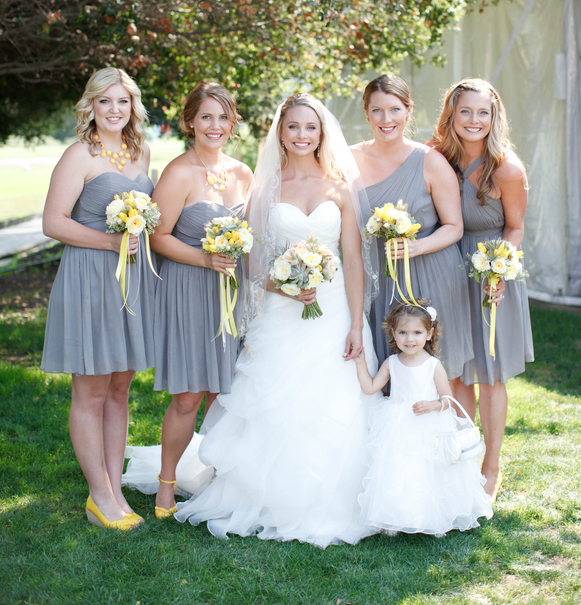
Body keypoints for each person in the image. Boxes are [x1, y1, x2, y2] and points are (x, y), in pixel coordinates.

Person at [174, 93, 380, 547]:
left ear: (321, 133)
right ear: (280, 133)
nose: (302, 135)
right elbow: (251, 262)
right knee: (276, 399)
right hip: (283, 311)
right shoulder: (265, 189)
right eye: (293, 128)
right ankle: (267, 497)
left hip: (335, 313)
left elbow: (351, 260)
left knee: (336, 403)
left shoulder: (340, 187)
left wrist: (354, 324)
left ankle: (338, 497)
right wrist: (284, 285)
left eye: (310, 127)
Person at [123, 83, 253, 518]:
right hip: (187, 291)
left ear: (232, 123)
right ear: (190, 122)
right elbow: (157, 239)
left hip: (229, 295)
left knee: (224, 393)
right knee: (188, 396)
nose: (214, 126)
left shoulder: (243, 173)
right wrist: (205, 258)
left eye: (222, 118)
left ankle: (216, 479)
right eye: (206, 117)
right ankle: (166, 485)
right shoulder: (179, 171)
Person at [41, 67, 155, 530]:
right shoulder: (78, 155)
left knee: (120, 386)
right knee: (90, 389)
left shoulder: (142, 152)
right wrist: (109, 242)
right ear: (91, 106)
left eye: (123, 101)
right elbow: (53, 222)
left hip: (130, 282)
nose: (114, 110)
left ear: (133, 107)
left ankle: (113, 487)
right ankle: (99, 496)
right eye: (105, 102)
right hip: (90, 277)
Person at [431, 78, 532, 499]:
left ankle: (491, 467)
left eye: (483, 112)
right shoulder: (434, 159)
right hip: (447, 271)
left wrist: (500, 271)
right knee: (455, 372)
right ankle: (463, 458)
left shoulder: (507, 168)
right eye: (465, 112)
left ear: (495, 118)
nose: (474, 120)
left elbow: (516, 227)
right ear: (451, 116)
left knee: (490, 375)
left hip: (491, 275)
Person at [351, 74, 473, 382]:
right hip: (376, 276)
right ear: (366, 113)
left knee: (436, 370)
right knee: (385, 369)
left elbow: (454, 226)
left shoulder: (430, 161)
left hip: (430, 272)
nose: (386, 118)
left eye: (394, 109)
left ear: (408, 110)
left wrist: (416, 246)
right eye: (377, 110)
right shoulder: (348, 160)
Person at [355, 300, 492, 536]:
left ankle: (430, 515)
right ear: (394, 334)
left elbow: (449, 400)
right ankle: (400, 514)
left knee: (428, 471)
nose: (410, 339)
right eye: (403, 333)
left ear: (429, 334)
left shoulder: (433, 365)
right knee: (400, 469)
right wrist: (359, 363)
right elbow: (370, 387)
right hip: (397, 424)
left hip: (427, 424)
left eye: (417, 333)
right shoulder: (392, 363)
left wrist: (433, 405)